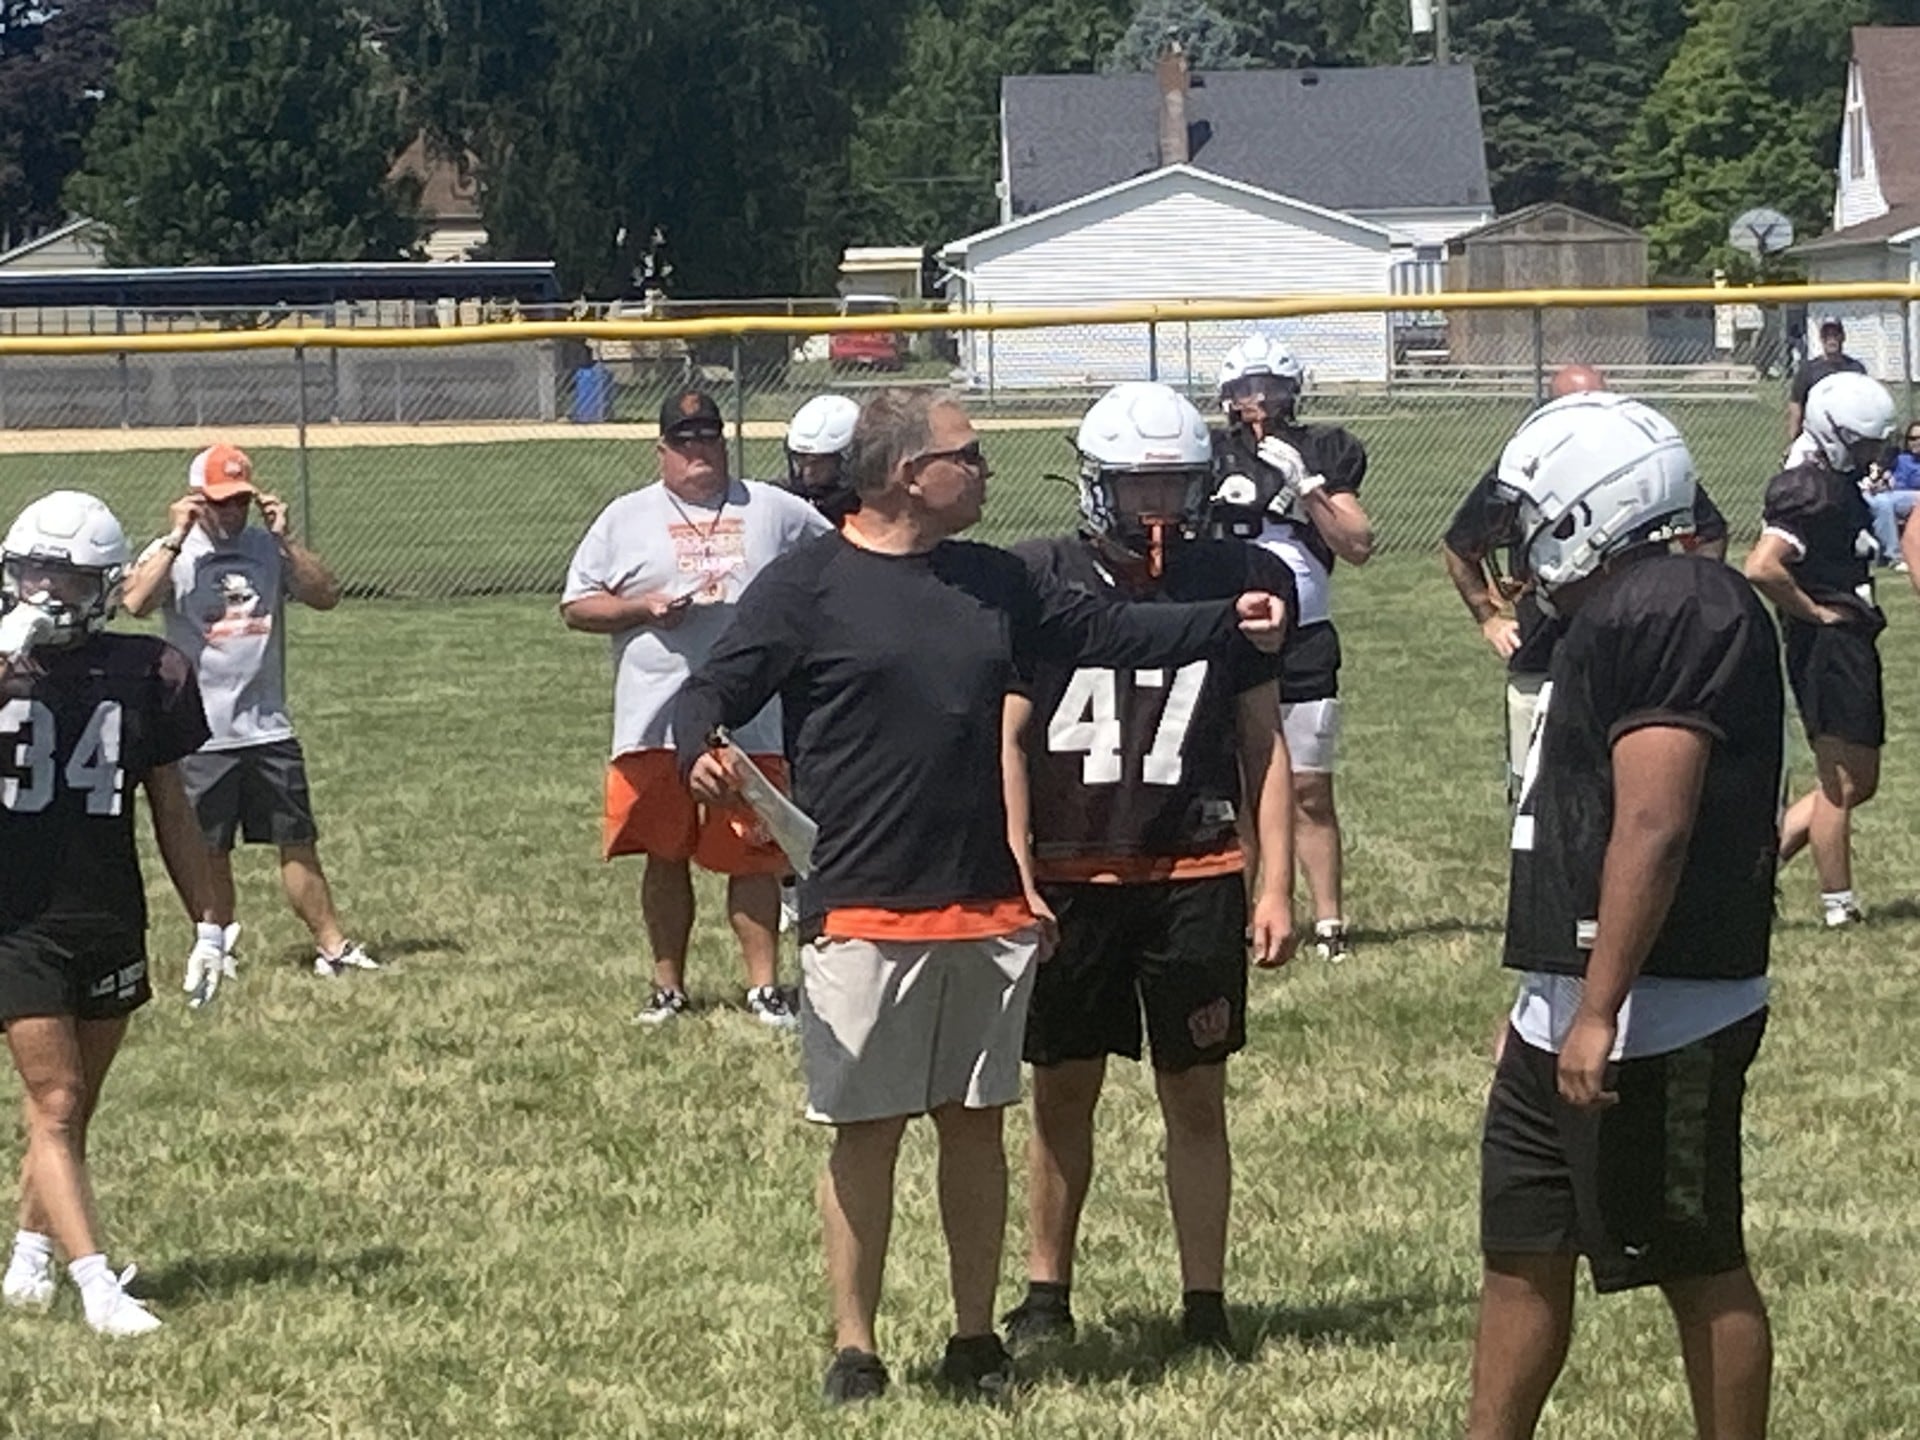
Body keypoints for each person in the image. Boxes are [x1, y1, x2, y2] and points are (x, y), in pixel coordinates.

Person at [670, 388, 1289, 1404]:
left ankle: (973, 1338)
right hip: (863, 904)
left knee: (974, 1124)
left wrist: (1229, 619)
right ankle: (856, 1348)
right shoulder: (808, 585)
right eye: (970, 455)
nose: (986, 471)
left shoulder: (992, 581)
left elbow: (1111, 633)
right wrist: (703, 748)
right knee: (866, 1132)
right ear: (911, 474)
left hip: (987, 905)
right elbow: (713, 687)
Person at [1468, 393, 1781, 1440]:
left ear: (1593, 508)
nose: (1522, 543)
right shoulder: (1612, 608)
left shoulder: (1682, 604)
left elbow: (1653, 821)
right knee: (1521, 1248)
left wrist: (1597, 1008)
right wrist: (1546, 995)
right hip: (1572, 992)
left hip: (1662, 999)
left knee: (1695, 1260)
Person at [996, 382, 1298, 1358]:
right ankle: (1046, 1291)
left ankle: (1204, 1306)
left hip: (1193, 864)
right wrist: (1018, 868)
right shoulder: (1039, 577)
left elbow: (1265, 742)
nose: (1159, 509)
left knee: (1196, 1094)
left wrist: (1278, 881)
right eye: (1138, 489)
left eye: (1174, 484)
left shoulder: (1243, 573)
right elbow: (1007, 734)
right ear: (1096, 488)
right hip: (1076, 868)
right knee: (1060, 1091)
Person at [0, 491, 229, 1336]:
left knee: (71, 1106)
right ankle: (98, 1285)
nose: (47, 592)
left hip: (104, 910)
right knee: (56, 1100)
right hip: (13, 914)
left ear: (102, 586)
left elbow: (171, 804)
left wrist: (208, 914)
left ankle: (30, 1254)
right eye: (33, 572)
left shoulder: (149, 670)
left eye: (66, 576)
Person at [561, 389, 831, 1027]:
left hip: (752, 717)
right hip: (655, 720)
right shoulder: (625, 518)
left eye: (708, 437)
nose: (698, 452)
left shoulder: (774, 510)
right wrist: (642, 607)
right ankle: (668, 987)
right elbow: (576, 606)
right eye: (684, 442)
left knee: (754, 854)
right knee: (664, 851)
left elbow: (834, 562)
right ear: (662, 451)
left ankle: (764, 988)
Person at [120, 444, 374, 982]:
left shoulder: (266, 550)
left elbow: (326, 595)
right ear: (196, 502)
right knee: (210, 849)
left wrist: (284, 539)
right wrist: (174, 536)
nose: (231, 513)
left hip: (267, 727)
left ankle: (332, 947)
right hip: (202, 733)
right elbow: (136, 603)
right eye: (220, 503)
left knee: (297, 840)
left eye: (239, 501)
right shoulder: (175, 553)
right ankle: (220, 947)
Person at [1441, 365, 1729, 802]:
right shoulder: (1528, 466)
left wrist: (1697, 593)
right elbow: (1462, 545)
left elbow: (1708, 530)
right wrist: (1488, 617)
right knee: (1538, 794)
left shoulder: (1639, 467)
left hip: (1635, 645)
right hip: (1547, 647)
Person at [1210, 331, 1372, 961]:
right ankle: (1245, 914)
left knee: (1308, 787)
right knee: (1234, 788)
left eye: (1270, 387)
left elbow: (1358, 544)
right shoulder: (1210, 453)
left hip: (1304, 632)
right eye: (1245, 388)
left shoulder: (1322, 449)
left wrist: (1307, 486)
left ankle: (1328, 922)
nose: (1257, 400)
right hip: (1230, 628)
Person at [1745, 371, 1896, 929]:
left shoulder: (1826, 476)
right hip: (1830, 645)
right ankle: (1839, 906)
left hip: (1847, 639)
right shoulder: (1808, 487)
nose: (1870, 455)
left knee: (1861, 780)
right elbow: (1762, 565)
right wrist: (1814, 612)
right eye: (1861, 444)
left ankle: (1749, 873)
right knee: (1841, 781)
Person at [784, 394, 862, 526]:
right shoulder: (786, 503)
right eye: (800, 460)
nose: (808, 472)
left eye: (817, 463)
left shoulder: (868, 513)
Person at [1785, 318, 1866, 442]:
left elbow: (1865, 403)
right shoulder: (1809, 370)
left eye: (1835, 335)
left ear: (1843, 337)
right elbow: (1796, 403)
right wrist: (1793, 438)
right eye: (1826, 335)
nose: (1831, 339)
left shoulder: (1855, 369)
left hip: (1849, 433)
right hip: (1816, 433)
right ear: (1821, 339)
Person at [1866, 418, 1920, 570]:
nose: (1916, 442)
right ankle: (1892, 556)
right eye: (1912, 438)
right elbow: (1883, 476)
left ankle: (1893, 555)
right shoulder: (1899, 459)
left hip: (1910, 498)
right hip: (1891, 497)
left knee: (1884, 502)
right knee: (1881, 502)